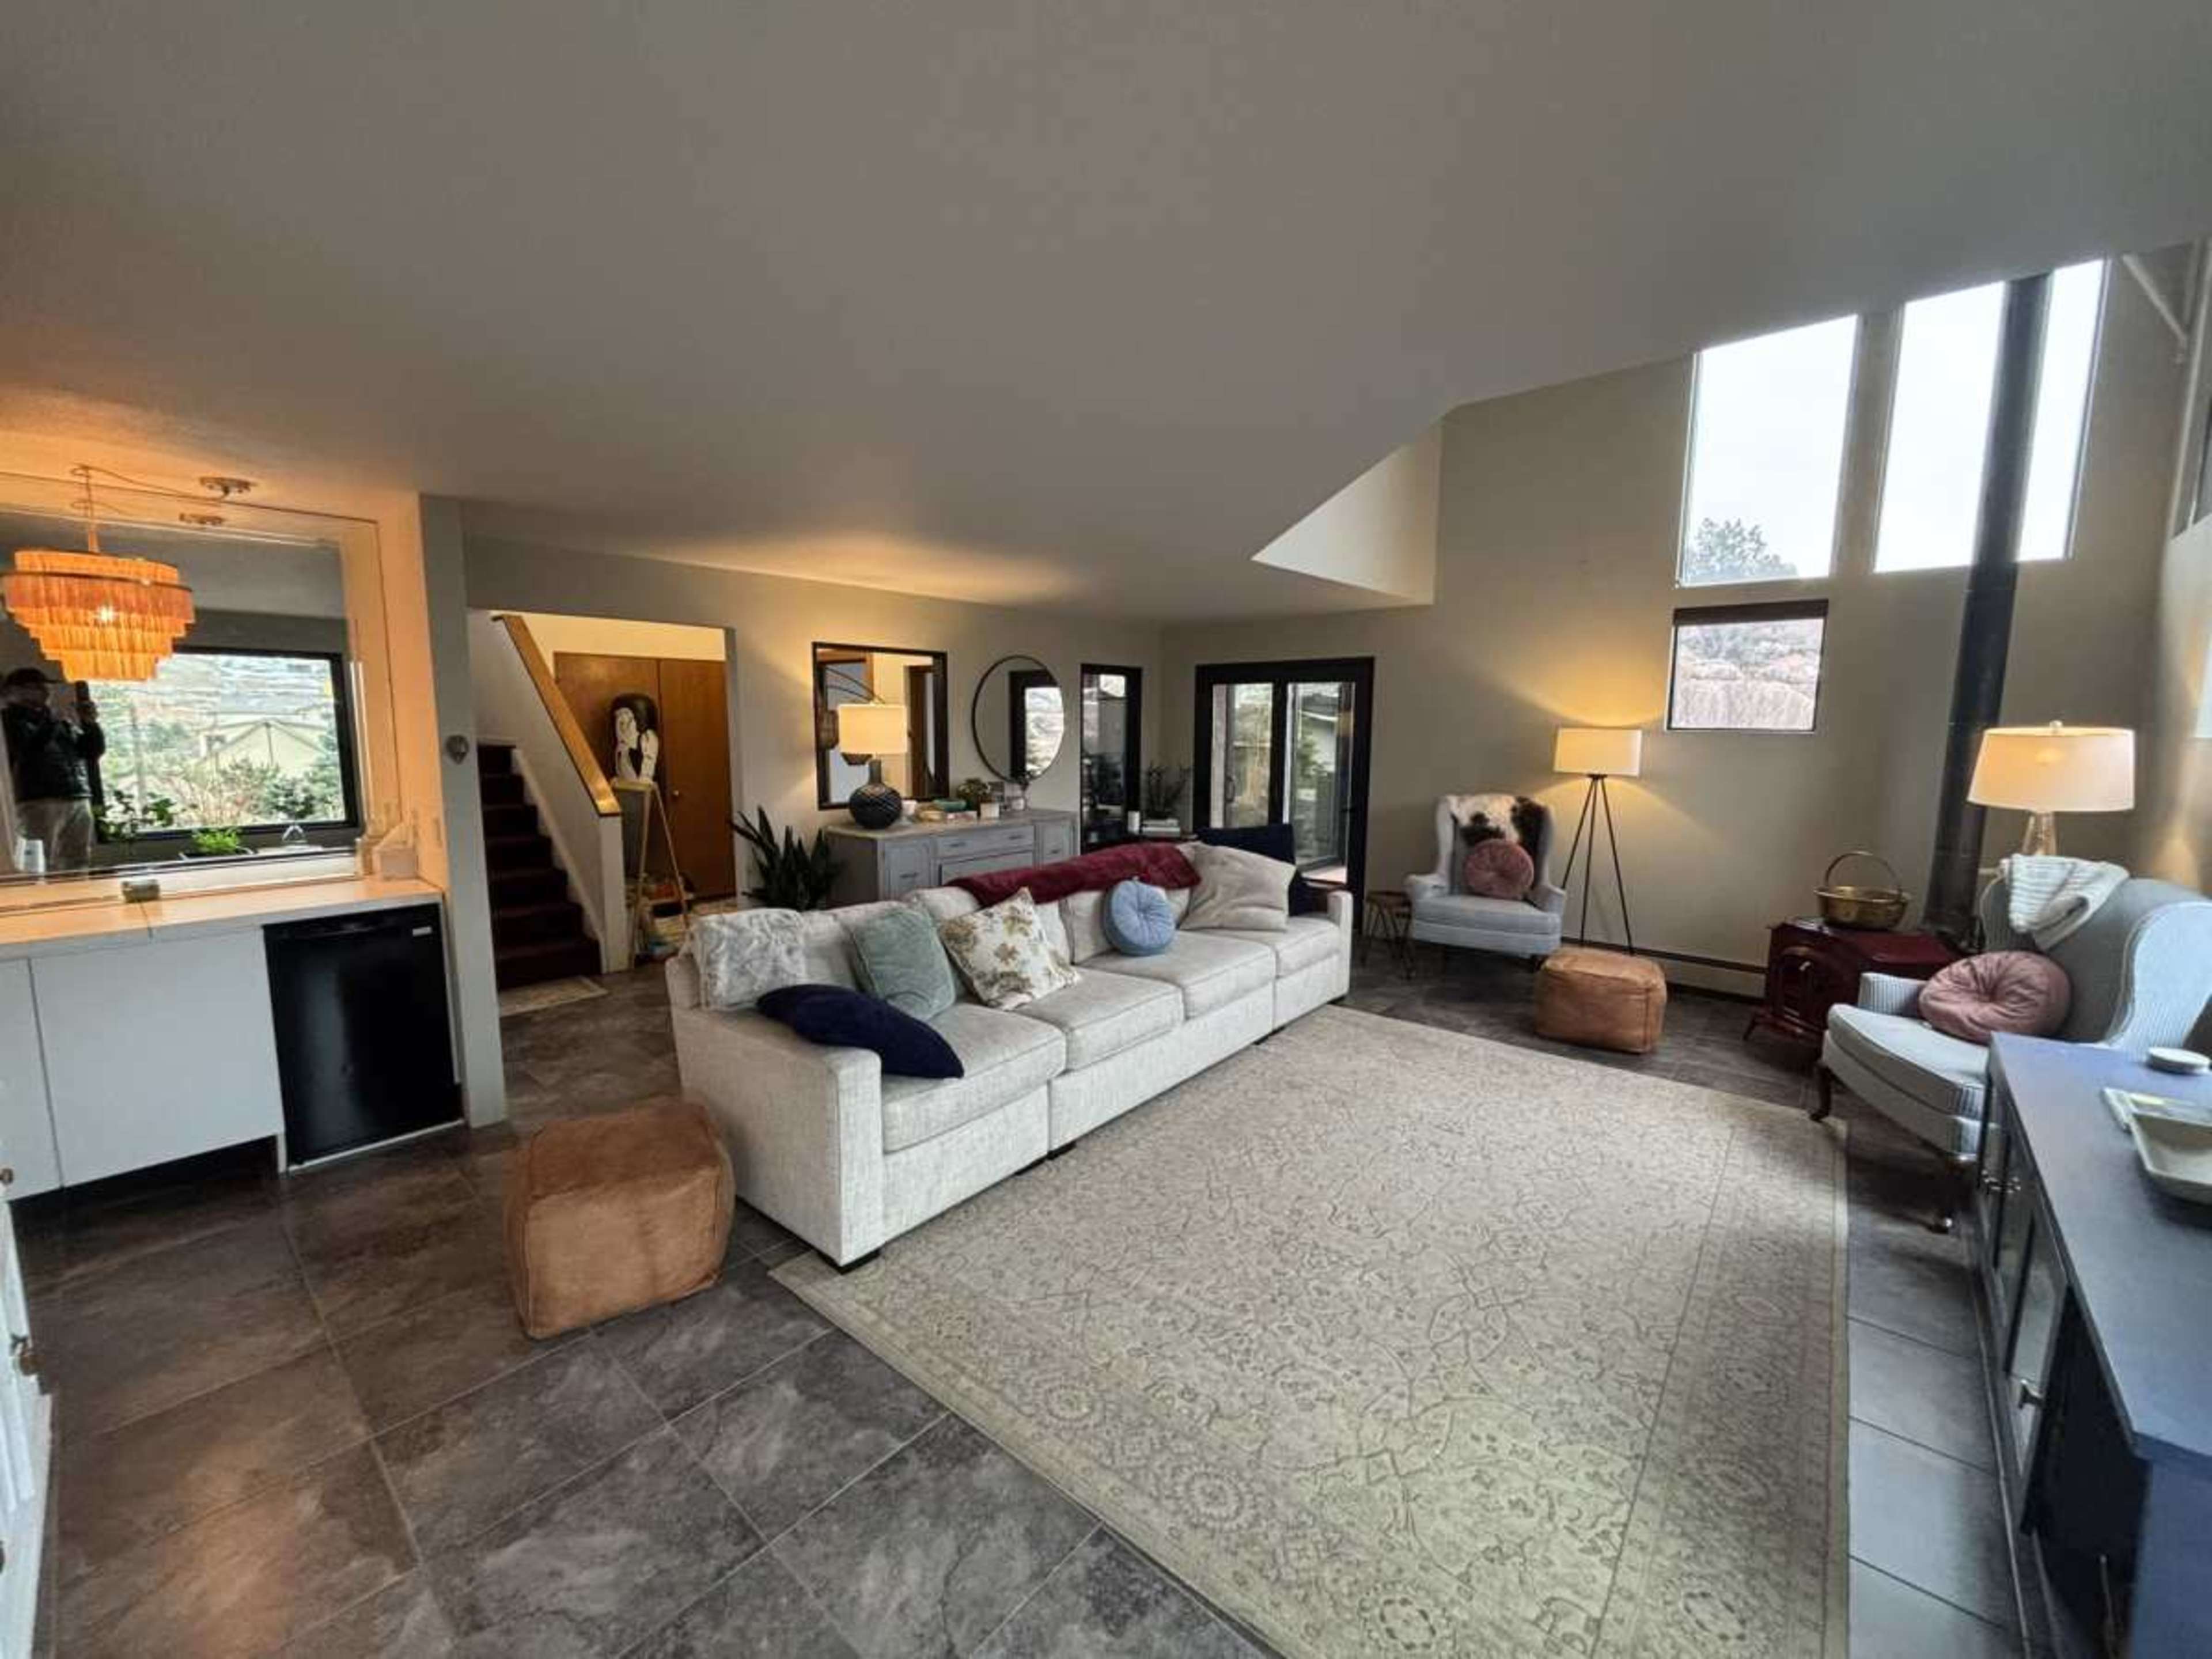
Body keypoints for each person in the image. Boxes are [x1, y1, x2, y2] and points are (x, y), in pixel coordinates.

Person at [3, 668, 104, 872]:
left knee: (78, 857)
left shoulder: (58, 721)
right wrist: (51, 724)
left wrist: (90, 724)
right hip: (38, 799)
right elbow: (26, 751)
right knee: (39, 860)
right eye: (37, 687)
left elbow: (90, 751)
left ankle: (78, 897)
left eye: (46, 687)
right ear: (14, 691)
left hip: (76, 794)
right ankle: (39, 900)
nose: (46, 692)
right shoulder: (9, 720)